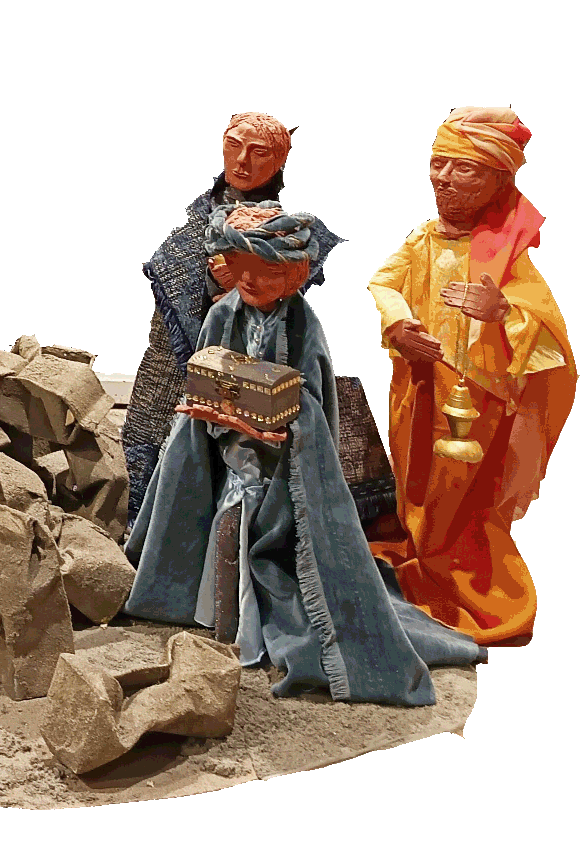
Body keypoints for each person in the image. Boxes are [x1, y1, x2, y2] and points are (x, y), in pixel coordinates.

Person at [120, 202, 483, 705]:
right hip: (230, 454)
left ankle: (258, 627)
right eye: (241, 268)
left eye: (265, 272)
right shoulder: (223, 314)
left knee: (272, 545)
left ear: (292, 275)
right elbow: (206, 372)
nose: (250, 281)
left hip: (282, 464)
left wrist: (282, 421)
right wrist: (220, 417)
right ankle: (221, 619)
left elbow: (313, 398)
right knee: (224, 529)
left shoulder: (302, 325)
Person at [373, 107, 567, 645]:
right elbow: (383, 283)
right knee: (412, 481)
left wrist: (502, 312)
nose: (444, 178)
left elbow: (550, 340)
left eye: (464, 168)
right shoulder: (422, 239)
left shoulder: (508, 256)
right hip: (418, 386)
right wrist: (399, 324)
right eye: (439, 163)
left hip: (476, 402)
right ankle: (419, 558)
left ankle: (455, 577)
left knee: (457, 497)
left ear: (498, 179)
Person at [125, 113, 291, 520]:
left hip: (236, 357)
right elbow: (171, 269)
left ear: (279, 162)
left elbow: (287, 294)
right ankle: (136, 521)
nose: (242, 161)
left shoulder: (284, 228)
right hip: (172, 346)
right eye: (234, 146)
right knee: (148, 429)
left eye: (258, 152)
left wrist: (242, 287)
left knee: (217, 452)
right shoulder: (201, 214)